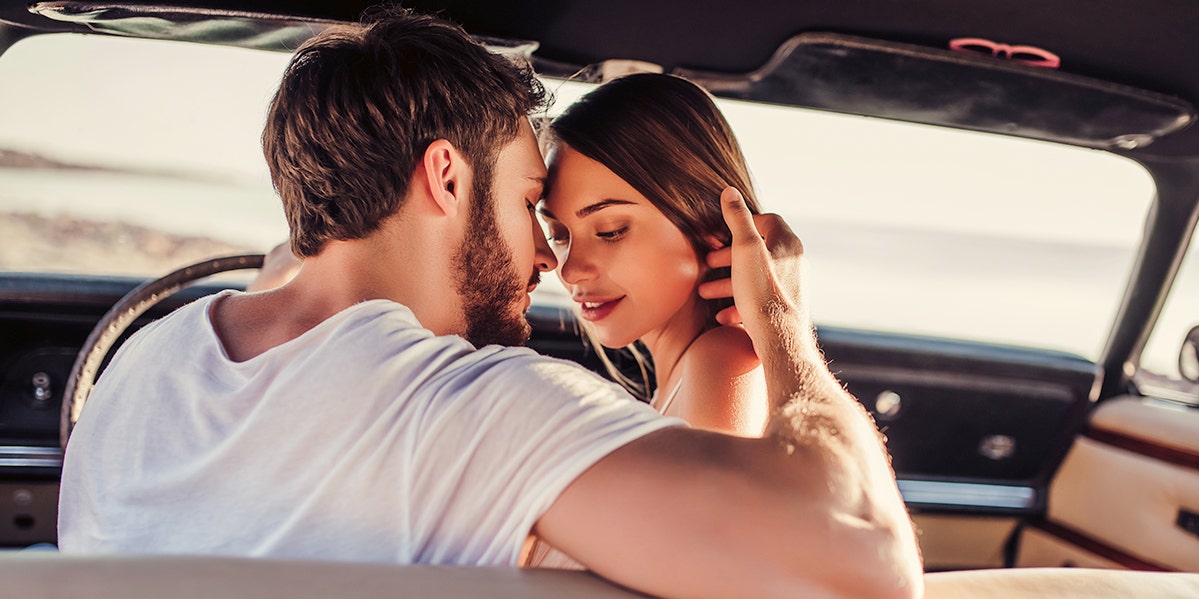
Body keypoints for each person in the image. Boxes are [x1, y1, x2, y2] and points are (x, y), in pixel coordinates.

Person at [57, 7, 923, 599]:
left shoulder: (139, 369)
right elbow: (869, 562)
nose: (547, 257)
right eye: (527, 205)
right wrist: (785, 325)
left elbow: (305, 270)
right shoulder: (471, 410)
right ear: (444, 175)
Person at [540, 73, 768, 436]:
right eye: (559, 234)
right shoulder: (685, 378)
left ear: (711, 222)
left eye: (610, 230)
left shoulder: (723, 358)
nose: (570, 272)